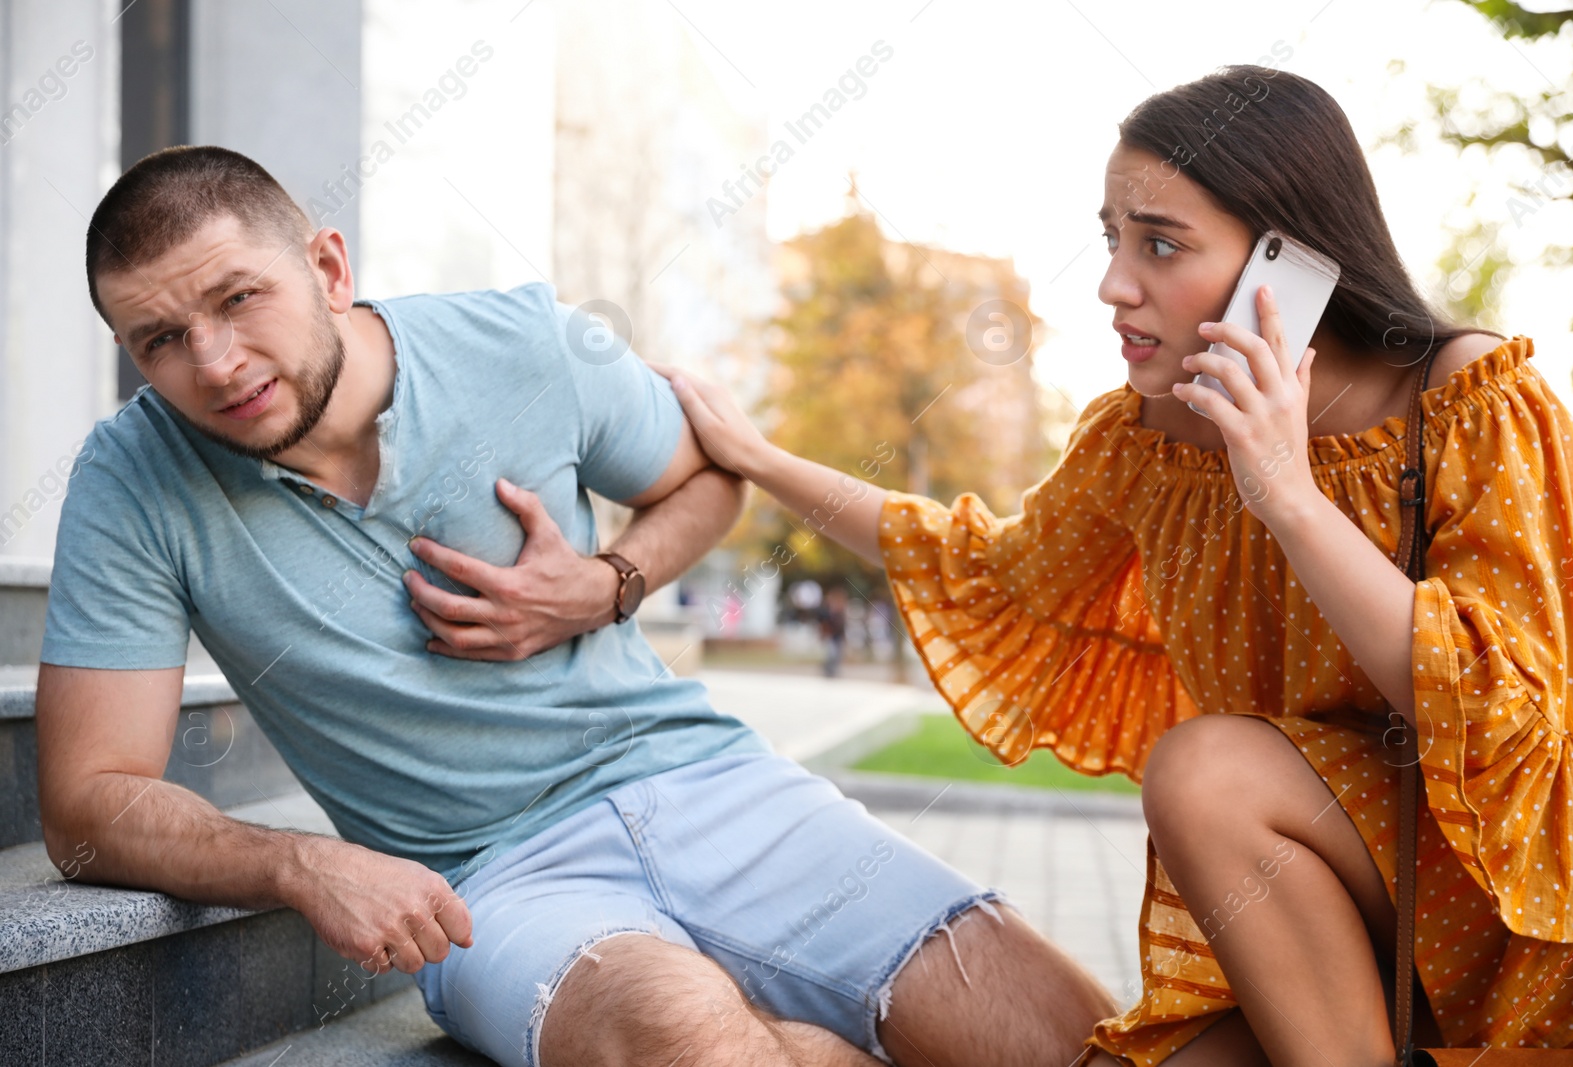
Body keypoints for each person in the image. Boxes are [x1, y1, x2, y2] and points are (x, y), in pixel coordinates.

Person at [35, 145, 1118, 1067]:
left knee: (1073, 1039)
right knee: (685, 1033)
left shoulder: (524, 343)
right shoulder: (130, 479)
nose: (215, 364)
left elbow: (702, 476)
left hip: (709, 780)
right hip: (493, 880)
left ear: (326, 267)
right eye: (159, 339)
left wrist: (608, 585)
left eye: (237, 298)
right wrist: (300, 859)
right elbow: (88, 805)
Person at [657, 65, 1573, 1064]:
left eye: (1160, 242)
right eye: (1113, 237)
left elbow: (1505, 713)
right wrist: (758, 459)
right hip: (1332, 932)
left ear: (1289, 264)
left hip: (1504, 909)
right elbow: (979, 565)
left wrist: (1286, 494)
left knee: (1204, 768)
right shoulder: (1143, 444)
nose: (1113, 281)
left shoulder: (1471, 398)